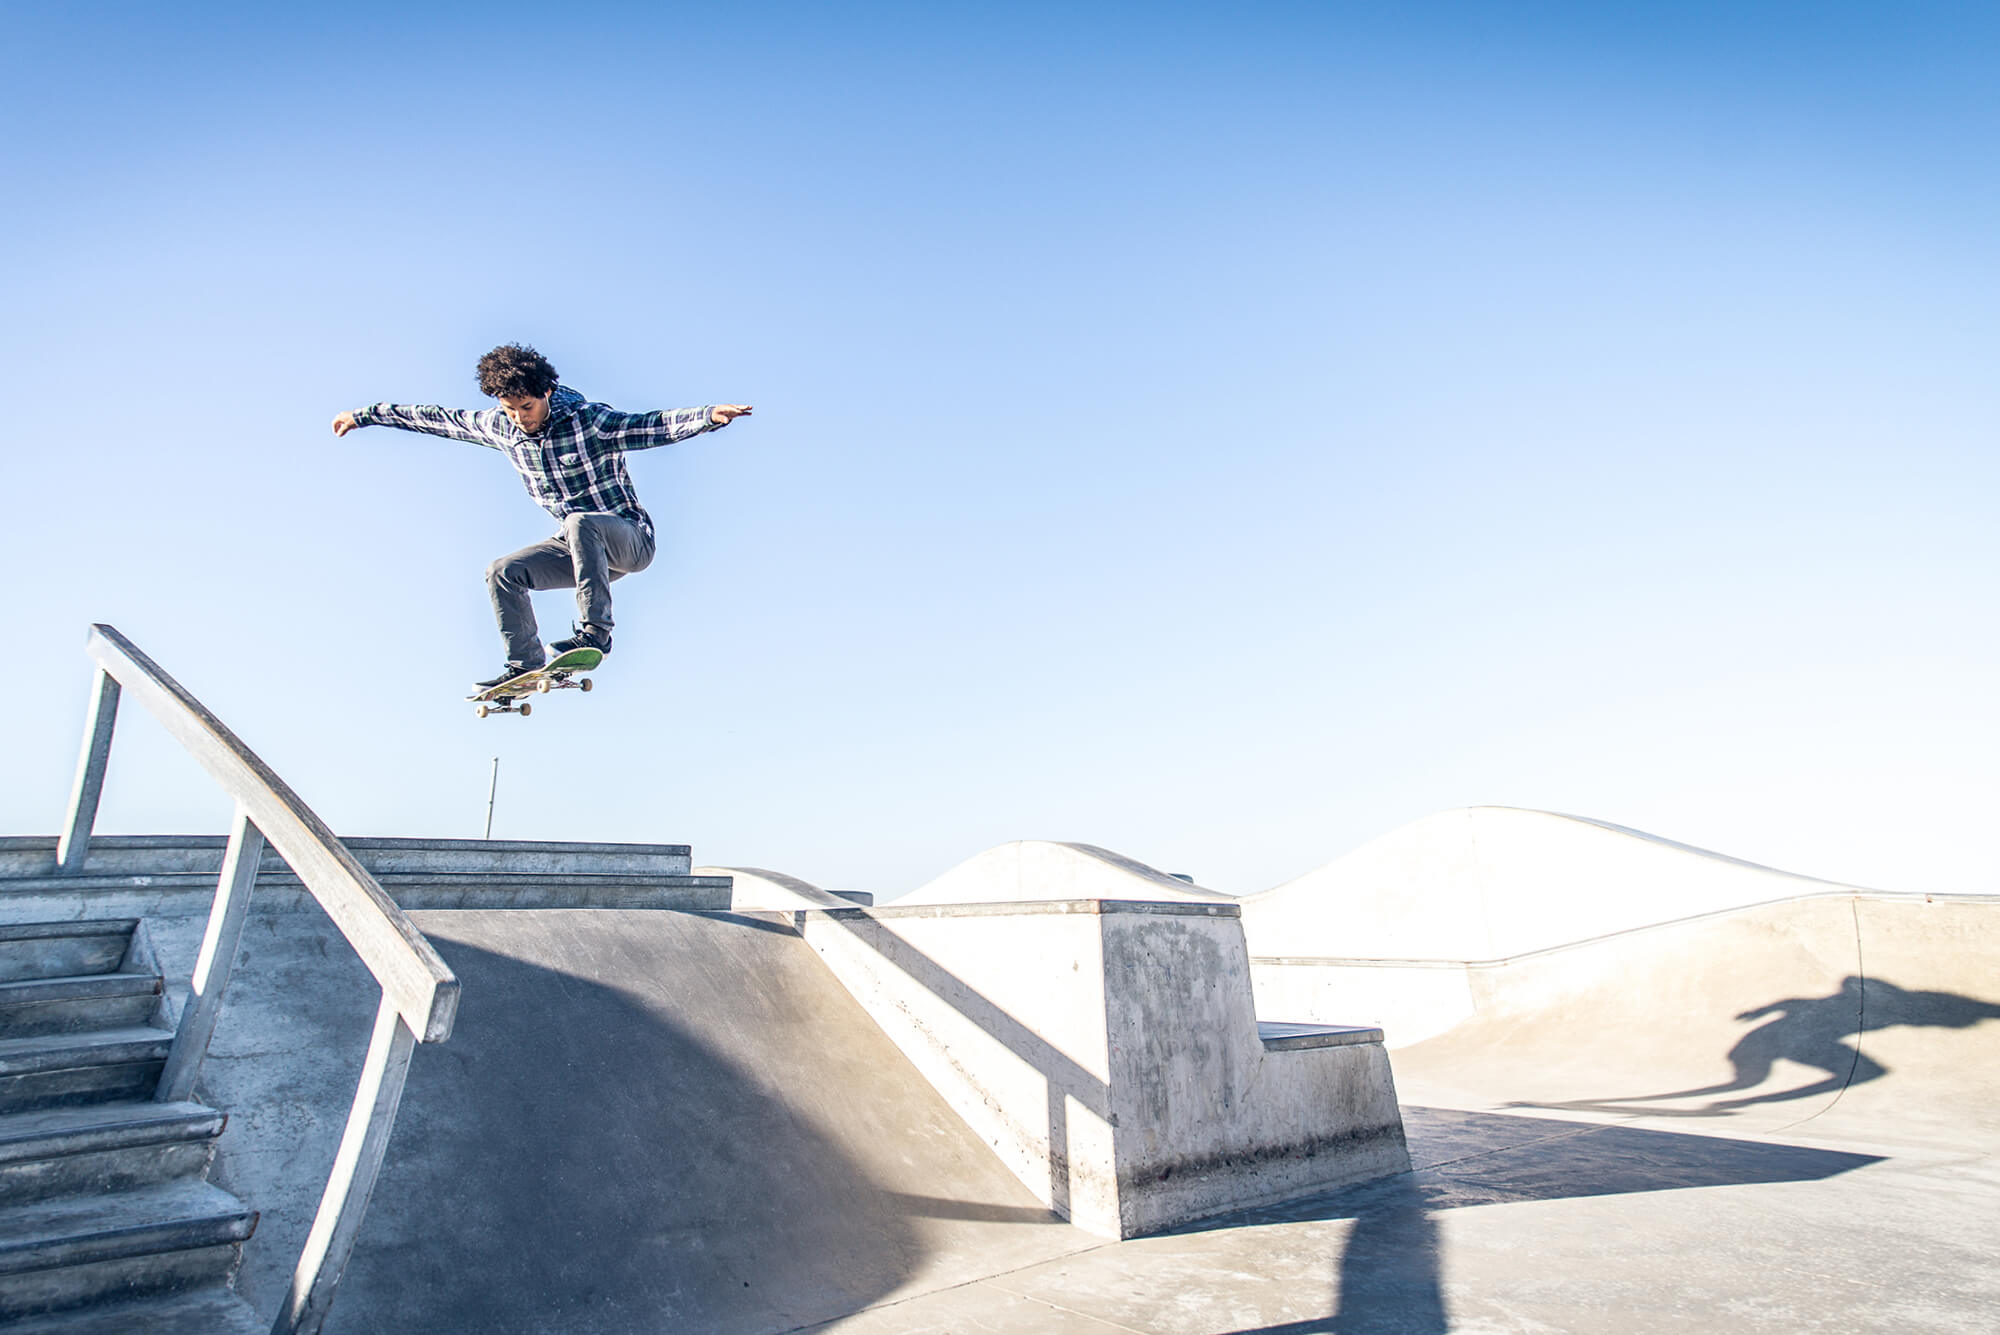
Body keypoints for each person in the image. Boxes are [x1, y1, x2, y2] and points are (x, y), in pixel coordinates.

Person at [332, 344, 751, 689]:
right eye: (510, 408)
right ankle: (525, 665)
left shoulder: (589, 422)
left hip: (629, 542)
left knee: (580, 521)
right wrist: (365, 416)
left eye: (527, 407)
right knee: (503, 571)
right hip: (579, 551)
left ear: (547, 393)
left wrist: (706, 417)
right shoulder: (500, 427)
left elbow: (649, 425)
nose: (520, 417)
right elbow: (436, 420)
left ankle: (596, 634)